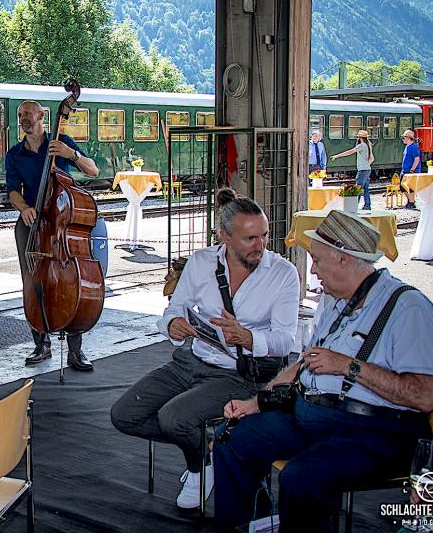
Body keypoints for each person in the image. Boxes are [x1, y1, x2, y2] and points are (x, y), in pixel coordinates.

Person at [213, 210, 433, 532]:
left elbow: (425, 396)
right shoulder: (332, 301)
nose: (312, 270)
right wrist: (256, 403)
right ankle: (248, 524)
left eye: (316, 260)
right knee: (230, 438)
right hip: (313, 416)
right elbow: (302, 365)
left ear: (344, 258)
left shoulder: (407, 307)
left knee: (302, 477)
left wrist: (350, 367)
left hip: (376, 432)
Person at [110, 189, 299, 509]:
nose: (261, 246)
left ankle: (200, 465)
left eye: (264, 236)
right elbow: (173, 310)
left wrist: (248, 338)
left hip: (238, 374)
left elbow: (285, 341)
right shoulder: (200, 263)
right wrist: (173, 326)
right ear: (225, 236)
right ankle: (210, 449)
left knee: (174, 418)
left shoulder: (283, 274)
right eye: (250, 238)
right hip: (191, 361)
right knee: (124, 415)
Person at [5, 100, 100, 371]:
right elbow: (13, 190)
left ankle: (75, 351)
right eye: (20, 114)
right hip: (32, 223)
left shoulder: (61, 142)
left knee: (71, 282)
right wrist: (24, 209)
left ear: (41, 117)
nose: (24, 119)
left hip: (61, 223)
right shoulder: (14, 155)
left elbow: (93, 170)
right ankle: (40, 343)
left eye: (28, 114)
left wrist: (72, 155)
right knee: (32, 281)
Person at [330, 129, 374, 210]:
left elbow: (350, 152)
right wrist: (366, 164)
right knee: (365, 189)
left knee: (358, 188)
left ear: (360, 138)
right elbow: (372, 159)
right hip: (367, 169)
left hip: (363, 170)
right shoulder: (368, 145)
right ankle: (367, 205)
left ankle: (353, 206)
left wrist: (337, 156)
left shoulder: (361, 145)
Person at [401, 129, 422, 209]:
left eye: (404, 138)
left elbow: (417, 159)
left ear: (408, 138)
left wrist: (412, 169)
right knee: (402, 187)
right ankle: (410, 201)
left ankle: (411, 203)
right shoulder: (407, 147)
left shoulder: (414, 147)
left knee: (411, 188)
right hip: (405, 170)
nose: (403, 139)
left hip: (411, 171)